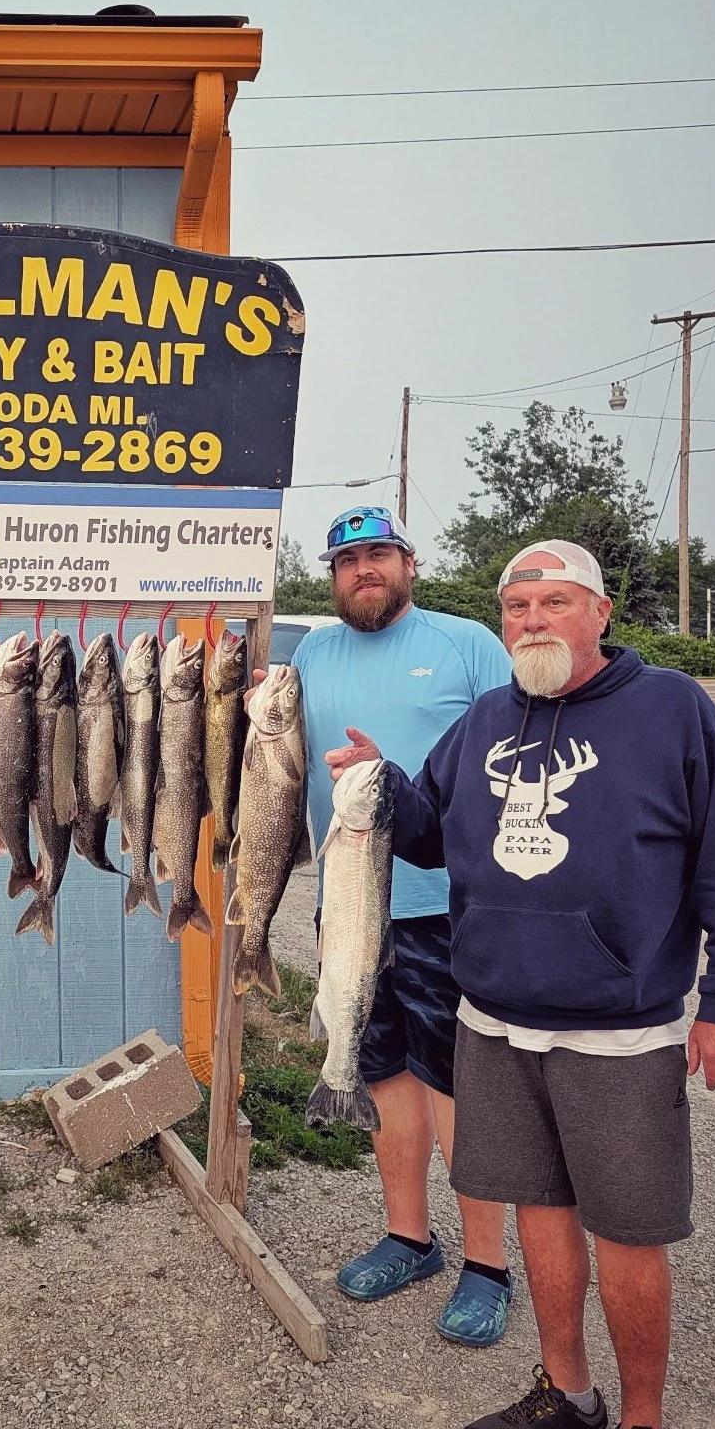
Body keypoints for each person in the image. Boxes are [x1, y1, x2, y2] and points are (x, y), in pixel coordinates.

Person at [327, 540, 715, 1429]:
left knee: (629, 1236)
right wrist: (385, 786)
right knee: (542, 1219)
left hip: (621, 1031)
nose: (529, 620)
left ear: (599, 612)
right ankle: (567, 1390)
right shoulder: (487, 718)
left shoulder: (675, 713)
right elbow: (433, 833)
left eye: (553, 601)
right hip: (493, 1021)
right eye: (515, 603)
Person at [292, 505, 516, 1345]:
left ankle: (489, 1265)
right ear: (334, 576)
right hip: (348, 903)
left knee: (457, 1082)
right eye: (348, 560)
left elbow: (516, 753)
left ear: (409, 564)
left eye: (379, 554)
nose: (365, 571)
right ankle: (410, 1237)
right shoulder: (312, 651)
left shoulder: (466, 646)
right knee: (379, 1070)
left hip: (445, 907)